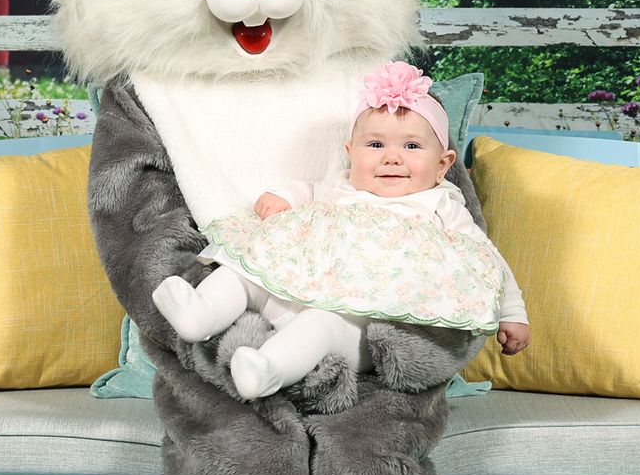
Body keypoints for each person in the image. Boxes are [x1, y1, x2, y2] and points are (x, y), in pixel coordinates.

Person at [152, 60, 529, 399]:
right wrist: (283, 196)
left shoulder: (440, 205)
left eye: (412, 146)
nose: (391, 157)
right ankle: (201, 315)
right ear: (351, 152)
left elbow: (485, 261)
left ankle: (267, 370)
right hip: (286, 287)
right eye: (375, 144)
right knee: (245, 269)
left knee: (320, 325)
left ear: (443, 164)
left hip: (353, 318)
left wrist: (513, 312)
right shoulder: (342, 185)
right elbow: (308, 190)